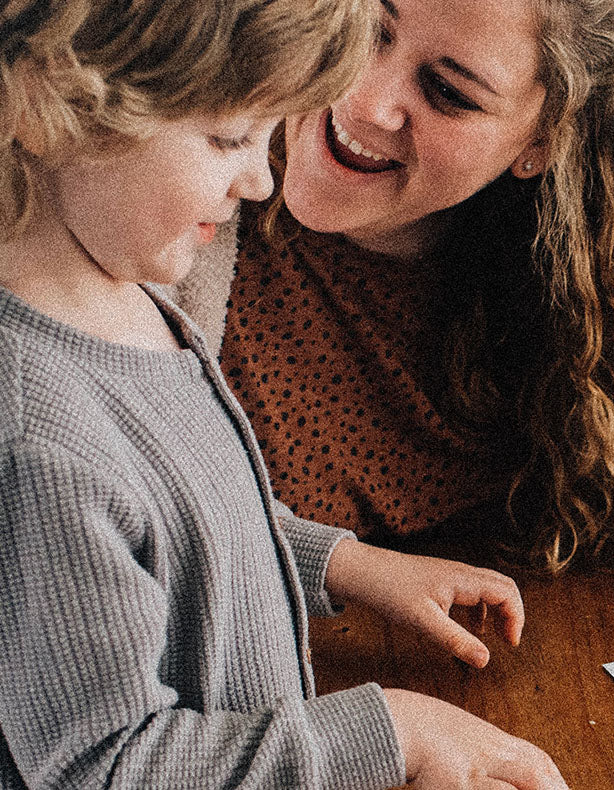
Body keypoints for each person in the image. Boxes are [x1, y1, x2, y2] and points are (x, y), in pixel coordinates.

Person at [0, 1, 568, 788]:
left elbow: (178, 525)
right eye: (231, 138)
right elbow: (105, 767)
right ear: (46, 104)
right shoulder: (38, 441)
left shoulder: (122, 296)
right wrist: (389, 733)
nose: (261, 175)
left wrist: (346, 566)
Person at [175, 0, 614, 590]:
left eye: (447, 93)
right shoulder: (160, 212)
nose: (363, 101)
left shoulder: (566, 279)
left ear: (540, 142)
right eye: (365, 24)